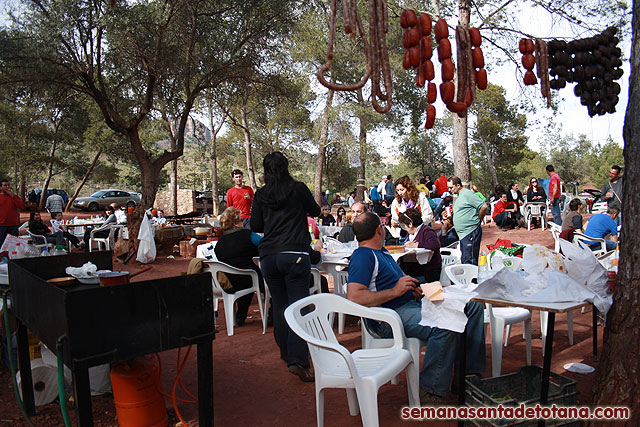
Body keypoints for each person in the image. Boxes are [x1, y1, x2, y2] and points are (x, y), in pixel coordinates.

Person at [346, 211, 485, 402]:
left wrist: (412, 288)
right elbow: (354, 296)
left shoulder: (382, 252)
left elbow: (398, 282)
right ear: (380, 229)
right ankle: (431, 389)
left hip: (409, 304)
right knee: (446, 324)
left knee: (473, 306)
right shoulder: (363, 256)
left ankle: (467, 375)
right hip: (389, 317)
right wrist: (396, 291)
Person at [250, 151, 321, 382]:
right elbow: (317, 210)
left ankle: (286, 353)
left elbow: (257, 225)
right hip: (295, 254)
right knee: (298, 307)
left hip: (269, 256)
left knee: (280, 306)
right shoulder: (298, 188)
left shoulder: (260, 194)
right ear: (286, 167)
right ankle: (298, 360)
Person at [214, 207, 263, 327]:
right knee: (268, 278)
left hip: (228, 280)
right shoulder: (248, 235)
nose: (243, 222)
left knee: (245, 278)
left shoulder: (220, 243)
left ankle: (241, 316)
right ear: (236, 223)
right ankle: (272, 312)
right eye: (241, 220)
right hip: (249, 278)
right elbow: (265, 244)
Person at [448, 176, 488, 265]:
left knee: (470, 261)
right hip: (463, 234)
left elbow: (484, 206)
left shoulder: (467, 194)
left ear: (458, 185)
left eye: (451, 187)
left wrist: (479, 219)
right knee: (466, 260)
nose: (449, 190)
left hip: (470, 232)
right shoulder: (460, 196)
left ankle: (471, 279)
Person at [397, 208, 442, 282]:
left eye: (405, 225)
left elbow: (435, 244)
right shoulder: (410, 235)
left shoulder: (427, 231)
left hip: (428, 270)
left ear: (410, 224)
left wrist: (416, 245)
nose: (405, 228)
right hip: (414, 268)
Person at [0, 179, 25, 248]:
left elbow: (21, 206)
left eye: (8, 185)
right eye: (5, 185)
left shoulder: (14, 197)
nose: (7, 187)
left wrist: (13, 196)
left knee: (14, 244)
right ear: (0, 187)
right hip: (2, 225)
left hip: (13, 225)